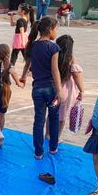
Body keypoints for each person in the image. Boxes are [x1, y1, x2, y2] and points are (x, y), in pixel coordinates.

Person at [20, 17, 63, 159]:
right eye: (56, 28)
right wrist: (59, 90)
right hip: (51, 88)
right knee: (54, 118)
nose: (56, 32)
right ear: (50, 29)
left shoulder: (33, 45)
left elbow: (27, 63)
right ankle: (53, 147)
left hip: (37, 88)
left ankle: (38, 152)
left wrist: (23, 76)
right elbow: (55, 70)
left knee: (39, 120)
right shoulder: (53, 47)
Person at [55, 35, 84, 136]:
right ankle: (57, 138)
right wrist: (81, 90)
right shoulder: (70, 58)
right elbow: (76, 75)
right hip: (67, 90)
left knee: (52, 114)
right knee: (62, 116)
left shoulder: (54, 55)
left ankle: (48, 134)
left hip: (54, 87)